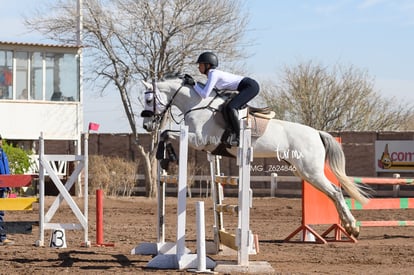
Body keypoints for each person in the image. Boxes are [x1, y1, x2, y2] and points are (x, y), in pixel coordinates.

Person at [192, 52, 260, 146]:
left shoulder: (213, 74)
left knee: (231, 107)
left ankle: (240, 137)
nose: (198, 67)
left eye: (200, 64)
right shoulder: (212, 74)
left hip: (250, 86)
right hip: (246, 86)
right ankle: (231, 132)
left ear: (207, 65)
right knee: (227, 106)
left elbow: (204, 95)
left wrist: (193, 84)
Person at [0, 135, 13, 245]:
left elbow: (6, 170)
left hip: (3, 186)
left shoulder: (2, 153)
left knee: (1, 213)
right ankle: (2, 237)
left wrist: (9, 184)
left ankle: (2, 237)